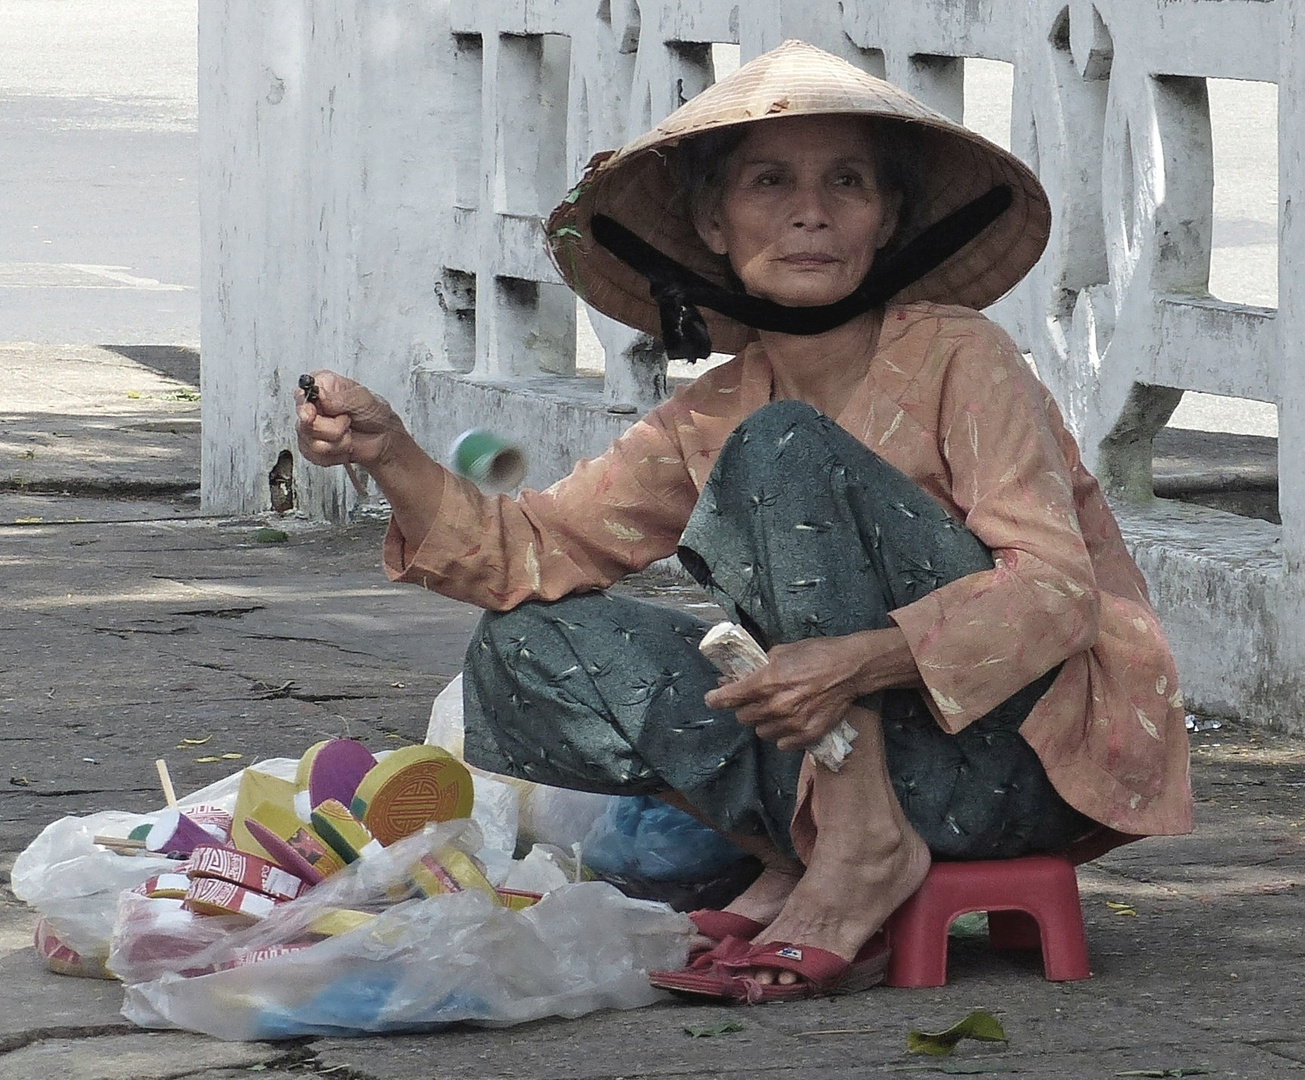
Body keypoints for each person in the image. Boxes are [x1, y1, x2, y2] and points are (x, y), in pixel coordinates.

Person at [295, 40, 1193, 1003]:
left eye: (846, 182)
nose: (811, 211)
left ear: (886, 219)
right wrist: (391, 454)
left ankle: (856, 854)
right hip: (835, 768)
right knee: (527, 641)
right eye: (770, 182)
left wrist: (859, 657)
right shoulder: (717, 408)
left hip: (1012, 769)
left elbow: (1055, 591)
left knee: (781, 451)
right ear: (712, 224)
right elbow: (527, 552)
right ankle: (814, 843)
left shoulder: (957, 356)